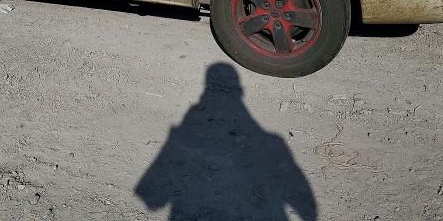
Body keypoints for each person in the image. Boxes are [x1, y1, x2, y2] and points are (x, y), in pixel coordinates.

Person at [135, 63, 318, 221]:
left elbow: (153, 198)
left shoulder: (186, 130)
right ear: (240, 89)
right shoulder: (274, 144)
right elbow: (305, 202)